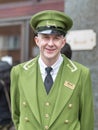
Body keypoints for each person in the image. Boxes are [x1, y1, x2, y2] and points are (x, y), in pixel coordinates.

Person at [10, 10, 94, 130]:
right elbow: (16, 116)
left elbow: (87, 122)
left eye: (56, 38)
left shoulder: (81, 74)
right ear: (37, 41)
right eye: (45, 37)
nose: (50, 43)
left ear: (63, 42)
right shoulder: (18, 72)